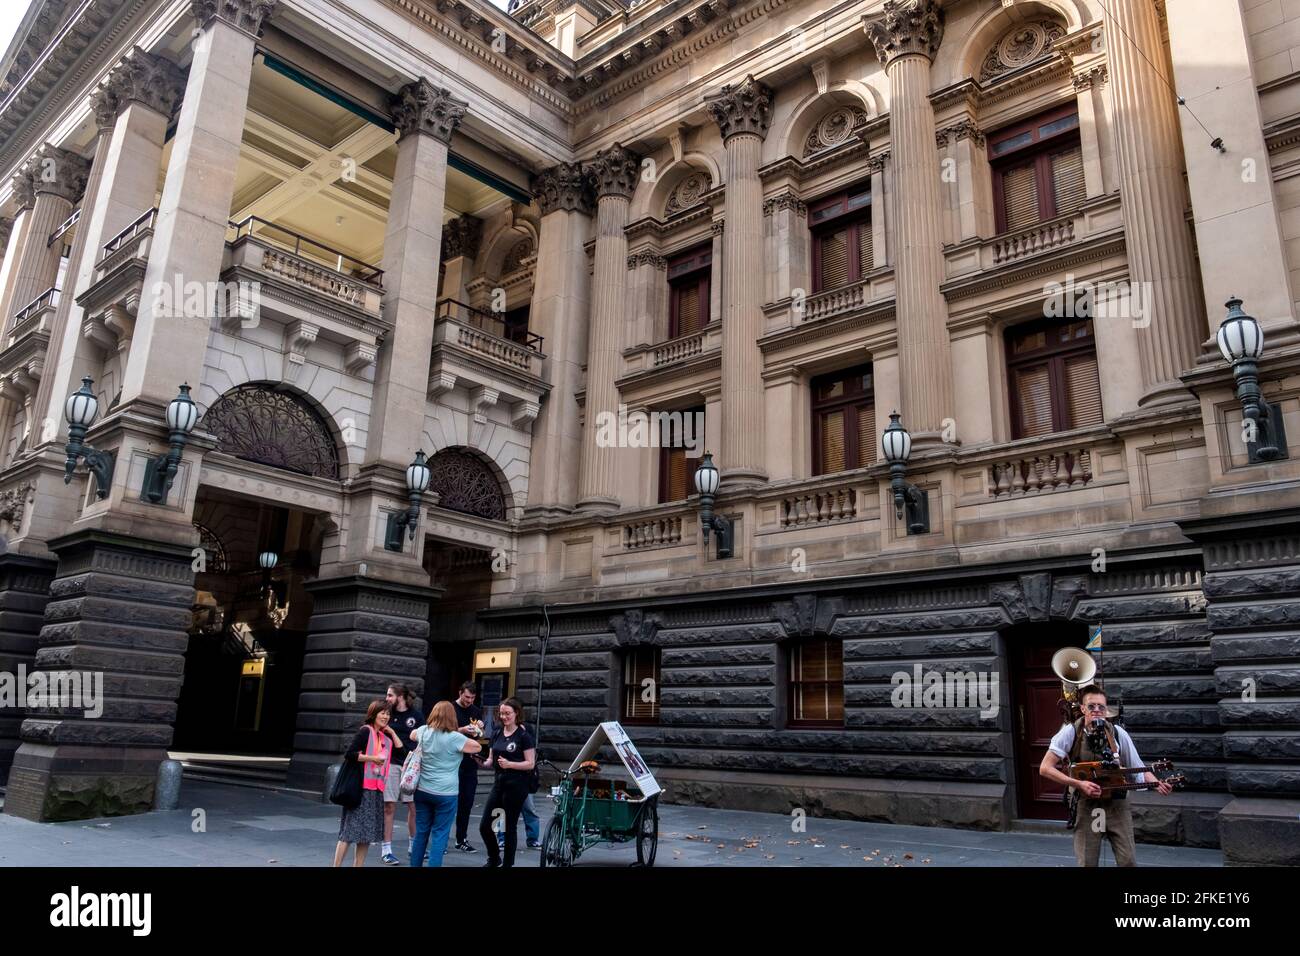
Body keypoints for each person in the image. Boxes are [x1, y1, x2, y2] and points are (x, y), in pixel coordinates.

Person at [1039, 684, 1172, 867]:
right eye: (1091, 706)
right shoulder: (1071, 732)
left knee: (1128, 861)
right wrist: (1078, 784)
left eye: (1101, 707)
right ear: (1083, 708)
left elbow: (1137, 766)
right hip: (1088, 807)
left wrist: (1157, 783)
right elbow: (1045, 768)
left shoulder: (1118, 733)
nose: (1096, 710)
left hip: (1116, 806)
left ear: (1106, 709)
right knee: (1088, 862)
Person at [409, 700, 482, 867]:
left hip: (422, 790)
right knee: (440, 835)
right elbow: (477, 747)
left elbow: (412, 735)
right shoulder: (455, 738)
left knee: (421, 833)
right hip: (446, 793)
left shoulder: (423, 731)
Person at [333, 701, 402, 867]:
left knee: (366, 834)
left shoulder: (384, 736)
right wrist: (372, 758)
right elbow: (350, 753)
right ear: (374, 713)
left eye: (388, 714)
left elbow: (401, 751)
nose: (386, 717)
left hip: (376, 790)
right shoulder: (366, 731)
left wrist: (392, 732)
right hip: (360, 789)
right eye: (382, 713)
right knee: (349, 832)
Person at [478, 697, 536, 868]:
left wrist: (511, 764)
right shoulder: (496, 732)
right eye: (501, 713)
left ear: (516, 713)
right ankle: (494, 857)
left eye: (507, 713)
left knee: (509, 828)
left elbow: (530, 763)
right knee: (484, 826)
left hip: (517, 785)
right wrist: (480, 760)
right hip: (499, 783)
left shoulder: (523, 736)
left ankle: (507, 865)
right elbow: (490, 760)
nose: (504, 716)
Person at [380, 683, 425, 864]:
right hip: (390, 764)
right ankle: (386, 849)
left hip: (410, 767)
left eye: (390, 695)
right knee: (389, 806)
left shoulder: (416, 716)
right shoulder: (387, 715)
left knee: (413, 806)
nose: (387, 698)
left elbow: (424, 738)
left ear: (400, 697)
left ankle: (414, 846)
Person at [451, 682, 483, 852]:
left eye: (472, 698)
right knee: (448, 802)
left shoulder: (476, 711)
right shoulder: (450, 709)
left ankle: (461, 838)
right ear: (460, 693)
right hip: (452, 761)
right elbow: (444, 732)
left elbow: (478, 737)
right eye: (466, 697)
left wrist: (479, 730)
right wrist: (463, 729)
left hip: (469, 762)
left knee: (467, 801)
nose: (469, 701)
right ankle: (439, 841)